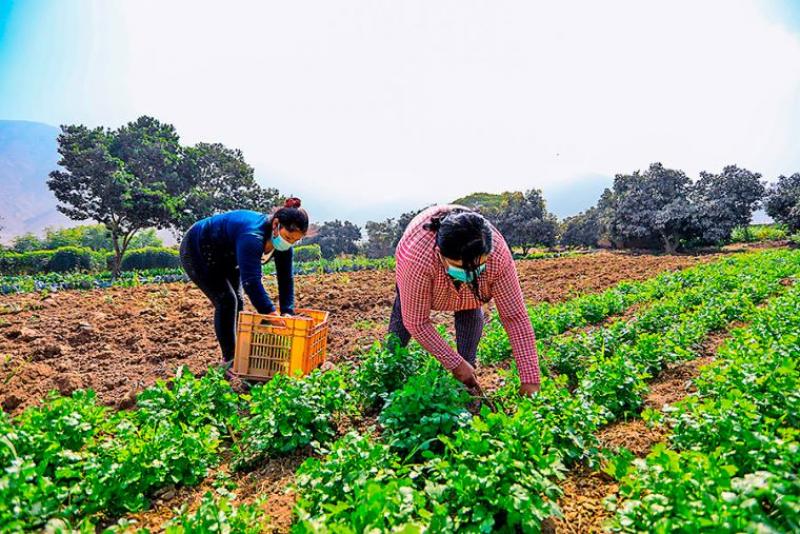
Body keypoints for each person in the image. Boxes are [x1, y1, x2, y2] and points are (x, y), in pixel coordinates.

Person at [390, 204, 541, 395]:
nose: (469, 275)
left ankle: (466, 380)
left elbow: (515, 317)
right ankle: (390, 371)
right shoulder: (417, 260)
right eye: (459, 267)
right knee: (401, 322)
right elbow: (417, 322)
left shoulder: (497, 255)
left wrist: (530, 380)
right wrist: (455, 364)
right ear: (440, 255)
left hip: (467, 263)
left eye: (478, 266)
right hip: (418, 259)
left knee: (470, 307)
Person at [179, 198, 309, 366]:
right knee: (226, 301)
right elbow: (252, 282)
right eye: (288, 237)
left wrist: (287, 312)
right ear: (276, 224)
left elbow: (286, 279)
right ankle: (230, 359)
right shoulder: (252, 236)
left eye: (294, 241)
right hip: (197, 247)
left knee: (238, 302)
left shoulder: (283, 244)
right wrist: (270, 313)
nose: (289, 243)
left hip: (227, 254)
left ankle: (240, 355)